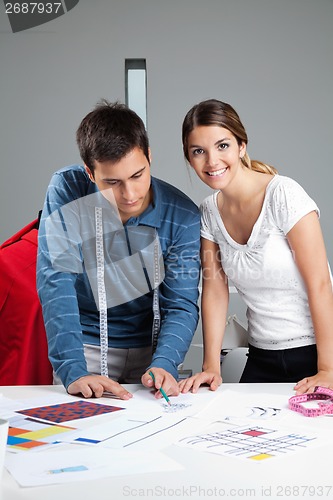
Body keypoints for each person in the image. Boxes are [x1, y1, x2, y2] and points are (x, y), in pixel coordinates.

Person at [37, 100, 200, 400]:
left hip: (151, 349)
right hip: (83, 346)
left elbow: (181, 303)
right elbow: (55, 280)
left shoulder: (183, 216)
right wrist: (72, 368)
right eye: (112, 182)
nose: (129, 194)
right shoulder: (68, 189)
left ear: (149, 157)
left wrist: (165, 362)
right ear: (89, 172)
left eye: (138, 175)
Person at [179, 98, 333, 395]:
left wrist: (327, 369)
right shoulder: (208, 212)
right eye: (199, 151)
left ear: (242, 146)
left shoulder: (283, 194)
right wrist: (211, 366)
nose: (212, 161)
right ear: (189, 158)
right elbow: (214, 289)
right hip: (261, 356)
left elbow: (321, 283)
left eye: (222, 145)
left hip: (317, 354)